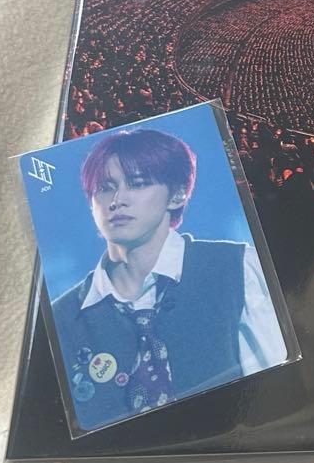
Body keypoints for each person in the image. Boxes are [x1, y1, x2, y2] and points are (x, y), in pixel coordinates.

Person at [51, 127, 289, 431]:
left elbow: (273, 398)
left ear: (177, 194)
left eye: (138, 183)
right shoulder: (63, 314)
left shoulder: (236, 267)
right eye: (104, 188)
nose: (117, 200)